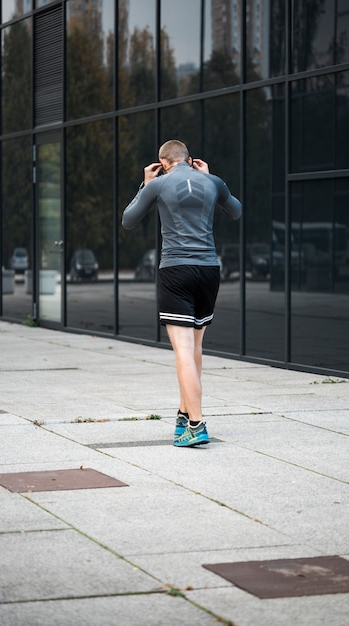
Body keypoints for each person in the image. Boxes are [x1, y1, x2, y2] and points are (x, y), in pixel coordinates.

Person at [122, 140, 242, 447]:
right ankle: (184, 414)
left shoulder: (158, 184)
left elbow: (128, 220)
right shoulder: (212, 181)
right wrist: (210, 178)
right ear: (190, 160)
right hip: (208, 271)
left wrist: (145, 184)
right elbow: (236, 211)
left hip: (176, 270)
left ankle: (197, 425)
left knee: (183, 351)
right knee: (195, 348)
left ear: (163, 163)